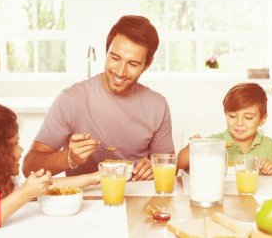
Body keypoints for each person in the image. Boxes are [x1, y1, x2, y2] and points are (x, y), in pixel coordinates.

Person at [22, 15, 174, 181]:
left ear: (147, 64)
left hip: (138, 197)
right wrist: (69, 157)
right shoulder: (70, 100)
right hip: (86, 199)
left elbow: (168, 164)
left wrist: (154, 165)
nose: (120, 72)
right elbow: (29, 167)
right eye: (115, 58)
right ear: (106, 52)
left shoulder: (157, 105)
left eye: (132, 64)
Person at [0, 101, 101, 237]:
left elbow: (46, 185)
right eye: (14, 144)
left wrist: (93, 178)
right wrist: (26, 192)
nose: (20, 149)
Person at [177, 83, 272, 175]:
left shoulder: (269, 146)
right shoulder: (214, 143)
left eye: (248, 117)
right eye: (232, 116)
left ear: (262, 120)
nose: (239, 123)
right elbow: (180, 165)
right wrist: (193, 147)